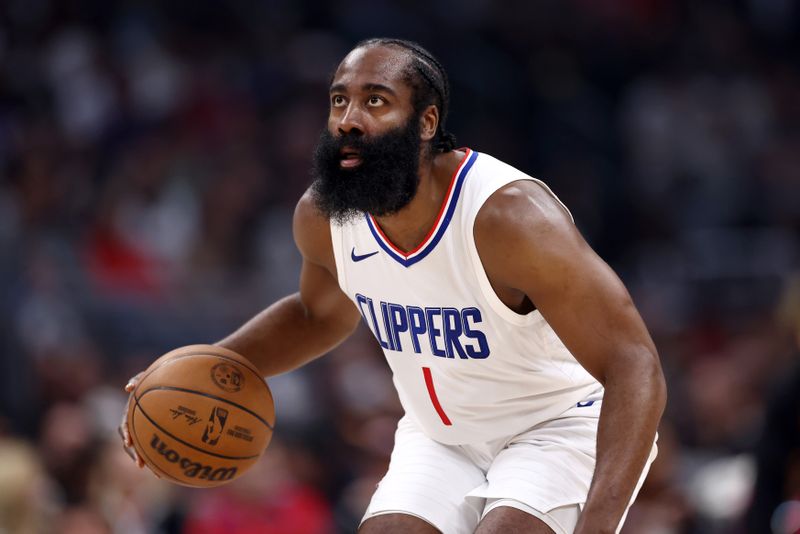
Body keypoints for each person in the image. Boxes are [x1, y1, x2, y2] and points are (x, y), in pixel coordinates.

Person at [120, 38, 666, 534]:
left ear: (425, 123)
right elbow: (318, 316)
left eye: (375, 101)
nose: (349, 120)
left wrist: (598, 525)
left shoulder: (511, 217)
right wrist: (200, 368)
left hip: (557, 425)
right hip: (440, 437)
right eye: (339, 101)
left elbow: (634, 363)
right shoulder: (324, 216)